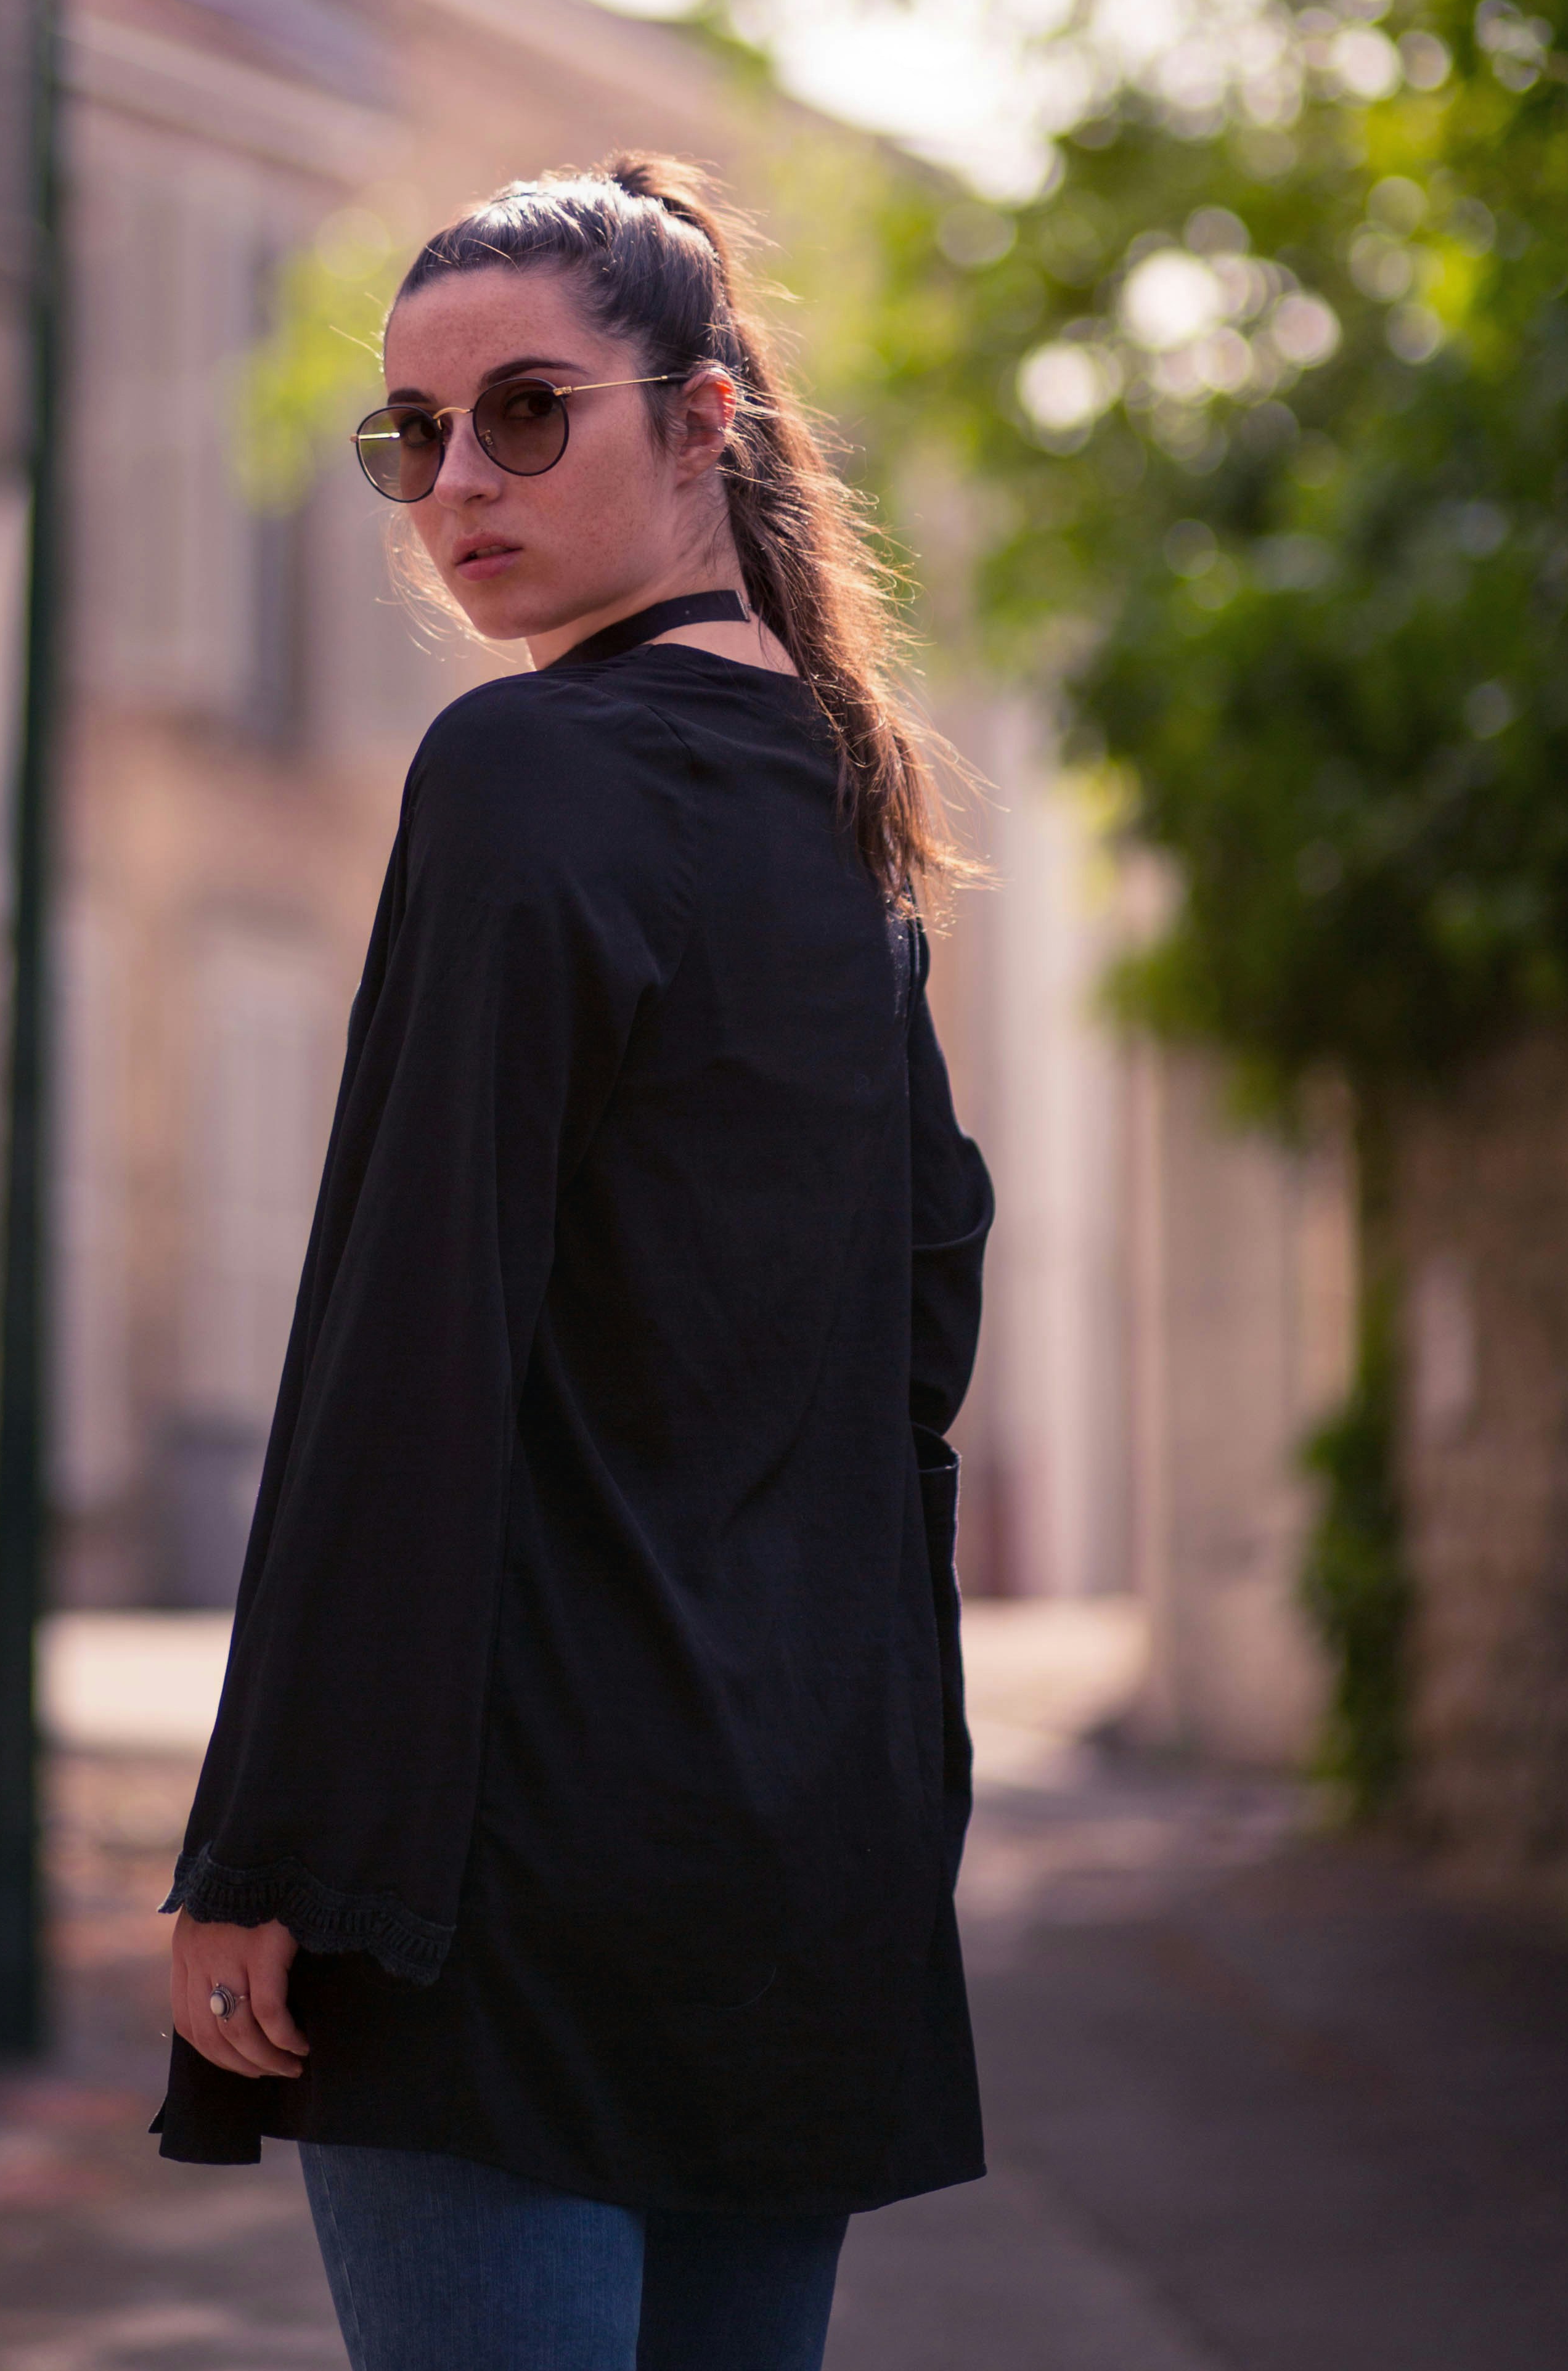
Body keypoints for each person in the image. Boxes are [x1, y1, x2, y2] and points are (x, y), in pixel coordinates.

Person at [153, 154, 994, 2371]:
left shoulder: (523, 771)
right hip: (795, 1856)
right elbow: (919, 1345)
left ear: (706, 419)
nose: (456, 485)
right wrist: (892, 1811)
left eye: (525, 413)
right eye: (409, 437)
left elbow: (409, 1340)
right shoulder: (847, 817)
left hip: (508, 1864)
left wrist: (273, 1844)